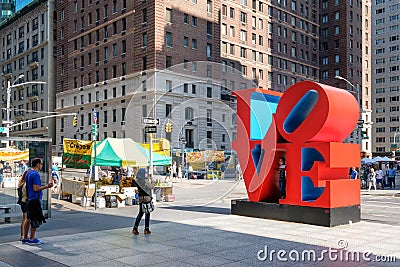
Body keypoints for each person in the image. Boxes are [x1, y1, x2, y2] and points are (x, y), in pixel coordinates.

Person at [23, 158, 53, 245]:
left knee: (28, 219)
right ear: (37, 164)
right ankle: (32, 238)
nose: (42, 165)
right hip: (35, 199)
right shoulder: (35, 174)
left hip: (29, 198)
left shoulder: (29, 173)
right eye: (41, 163)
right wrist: (47, 186)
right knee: (34, 219)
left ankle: (25, 237)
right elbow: (36, 188)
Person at [132, 168, 154, 235]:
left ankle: (135, 228)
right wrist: (152, 180)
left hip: (141, 198)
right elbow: (152, 187)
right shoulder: (145, 181)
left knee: (140, 213)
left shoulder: (137, 181)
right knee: (147, 213)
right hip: (147, 198)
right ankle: (146, 229)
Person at [18, 170, 30, 241]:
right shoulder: (26, 184)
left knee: (24, 219)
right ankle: (23, 235)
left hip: (23, 202)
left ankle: (23, 235)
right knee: (26, 219)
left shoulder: (22, 183)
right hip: (26, 202)